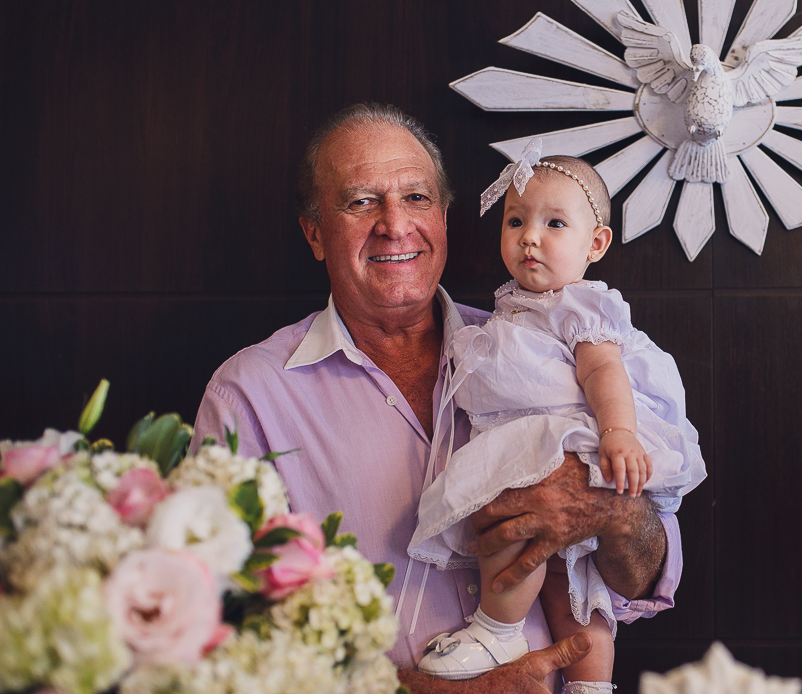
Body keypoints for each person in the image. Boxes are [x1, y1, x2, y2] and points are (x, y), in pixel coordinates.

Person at [189, 103, 684, 694]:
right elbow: (216, 632)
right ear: (315, 231)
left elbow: (642, 575)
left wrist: (610, 508)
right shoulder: (250, 397)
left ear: (446, 217)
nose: (394, 225)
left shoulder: (534, 354)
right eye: (360, 201)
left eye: (417, 199)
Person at [407, 142, 706, 693]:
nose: (530, 237)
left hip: (568, 441)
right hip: (541, 442)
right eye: (515, 220)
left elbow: (602, 373)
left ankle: (498, 628)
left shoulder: (580, 305)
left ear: (595, 244)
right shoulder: (512, 307)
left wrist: (618, 432)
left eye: (555, 223)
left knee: (511, 531)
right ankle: (590, 686)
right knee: (574, 587)